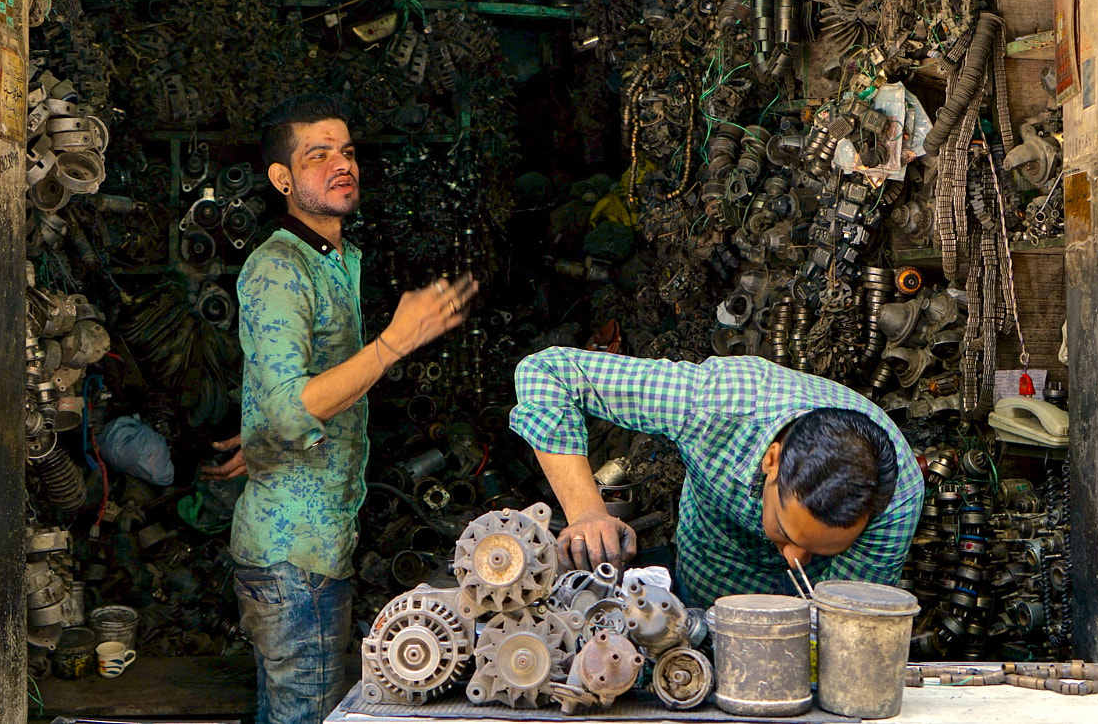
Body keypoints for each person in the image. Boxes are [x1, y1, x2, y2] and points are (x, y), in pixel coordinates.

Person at [205, 94, 478, 724]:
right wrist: (394, 343)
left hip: (316, 548)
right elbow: (287, 407)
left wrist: (269, 433)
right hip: (293, 561)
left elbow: (294, 400)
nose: (341, 165)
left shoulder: (334, 260)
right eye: (318, 154)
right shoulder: (279, 267)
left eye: (347, 152)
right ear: (281, 179)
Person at [509, 347, 923, 606]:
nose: (794, 558)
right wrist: (585, 512)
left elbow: (844, 620)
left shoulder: (896, 499)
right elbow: (550, 372)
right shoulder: (713, 404)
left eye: (819, 548)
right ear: (772, 460)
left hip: (818, 596)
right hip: (713, 569)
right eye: (783, 529)